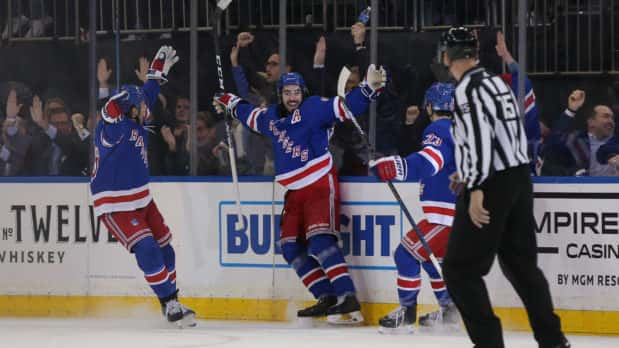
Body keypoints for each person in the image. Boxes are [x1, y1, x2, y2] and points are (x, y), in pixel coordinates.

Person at [213, 65, 387, 324]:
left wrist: (368, 88)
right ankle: (327, 297)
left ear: (303, 93)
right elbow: (249, 115)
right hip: (293, 193)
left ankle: (347, 297)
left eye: (296, 92)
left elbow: (345, 107)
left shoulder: (314, 107)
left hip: (318, 184)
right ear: (280, 94)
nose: (292, 97)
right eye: (287, 92)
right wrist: (228, 102)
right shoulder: (271, 117)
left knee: (320, 241)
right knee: (290, 247)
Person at [438, 27, 569, 348]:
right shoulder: (497, 83)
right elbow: (503, 133)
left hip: (491, 182)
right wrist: (467, 172)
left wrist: (477, 184)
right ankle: (553, 341)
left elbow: (481, 136)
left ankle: (488, 343)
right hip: (518, 179)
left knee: (458, 269)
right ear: (475, 54)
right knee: (523, 267)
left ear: (445, 57)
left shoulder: (466, 89)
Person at [89, 46, 196, 327]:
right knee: (147, 248)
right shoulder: (112, 129)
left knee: (165, 248)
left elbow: (148, 90)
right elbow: (109, 110)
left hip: (141, 198)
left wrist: (156, 71)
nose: (147, 109)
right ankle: (169, 302)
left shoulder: (138, 114)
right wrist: (120, 97)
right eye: (141, 106)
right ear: (129, 109)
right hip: (115, 203)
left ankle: (172, 300)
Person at [370, 83, 459, 333]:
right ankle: (450, 312)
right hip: (458, 215)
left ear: (429, 106)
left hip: (446, 217)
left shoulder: (439, 129)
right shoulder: (460, 130)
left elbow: (429, 162)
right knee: (431, 260)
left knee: (405, 253)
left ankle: (406, 315)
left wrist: (392, 167)